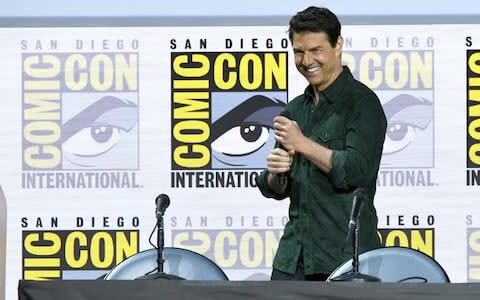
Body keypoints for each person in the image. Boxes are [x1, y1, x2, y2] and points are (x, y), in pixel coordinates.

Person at [255, 6, 387, 281]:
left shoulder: (362, 103)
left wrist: (301, 143)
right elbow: (279, 189)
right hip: (293, 257)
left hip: (344, 258)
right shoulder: (294, 110)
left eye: (316, 50)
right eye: (299, 52)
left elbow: (357, 171)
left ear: (338, 45)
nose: (306, 60)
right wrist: (275, 175)